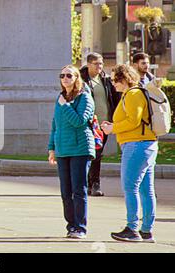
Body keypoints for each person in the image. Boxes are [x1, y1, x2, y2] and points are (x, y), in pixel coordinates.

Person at [101, 64, 158, 243]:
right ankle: (146, 231)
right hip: (145, 144)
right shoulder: (134, 93)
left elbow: (133, 120)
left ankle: (132, 228)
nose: (112, 83)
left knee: (130, 187)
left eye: (114, 79)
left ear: (124, 78)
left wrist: (112, 128)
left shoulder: (133, 94)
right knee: (146, 189)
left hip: (136, 145)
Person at [48, 65, 95, 239]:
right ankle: (71, 226)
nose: (65, 78)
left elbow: (79, 121)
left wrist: (66, 106)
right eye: (62, 75)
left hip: (80, 149)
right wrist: (51, 148)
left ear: (76, 78)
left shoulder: (85, 97)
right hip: (63, 150)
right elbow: (55, 125)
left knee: (79, 189)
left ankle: (80, 227)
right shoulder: (60, 98)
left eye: (69, 75)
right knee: (65, 191)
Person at [80, 52, 120, 196]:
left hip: (104, 124)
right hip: (88, 124)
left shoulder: (105, 79)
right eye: (97, 63)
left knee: (98, 154)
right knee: (89, 154)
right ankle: (88, 184)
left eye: (101, 63)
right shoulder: (81, 80)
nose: (100, 66)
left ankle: (93, 184)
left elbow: (113, 98)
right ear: (89, 64)